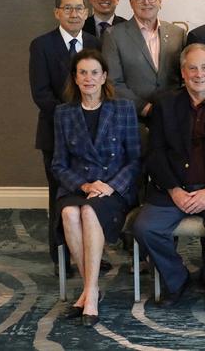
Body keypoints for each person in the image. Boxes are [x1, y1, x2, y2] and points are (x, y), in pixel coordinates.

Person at [133, 44, 205, 308]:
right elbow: (155, 153)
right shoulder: (165, 103)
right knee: (145, 229)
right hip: (173, 190)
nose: (199, 74)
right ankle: (177, 279)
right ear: (183, 72)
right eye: (192, 68)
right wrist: (174, 189)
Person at [52, 49, 141, 327]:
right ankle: (91, 288)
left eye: (94, 73)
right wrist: (84, 184)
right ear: (75, 78)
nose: (88, 78)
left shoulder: (123, 108)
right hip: (78, 186)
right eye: (82, 73)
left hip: (113, 188)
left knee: (89, 212)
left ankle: (88, 295)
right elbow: (58, 164)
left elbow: (135, 160)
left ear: (104, 77)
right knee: (69, 213)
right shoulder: (63, 113)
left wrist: (111, 186)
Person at [29, 0, 101, 277]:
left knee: (90, 198)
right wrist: (72, 120)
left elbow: (100, 85)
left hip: (92, 137)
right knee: (59, 197)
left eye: (79, 8)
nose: (74, 14)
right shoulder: (42, 45)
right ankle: (61, 257)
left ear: (87, 12)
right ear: (57, 12)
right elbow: (41, 93)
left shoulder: (95, 42)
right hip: (55, 134)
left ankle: (91, 255)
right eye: (68, 8)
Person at [102, 0, 186, 120]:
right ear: (131, 3)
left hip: (174, 115)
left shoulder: (178, 34)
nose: (146, 2)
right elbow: (112, 82)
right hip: (133, 118)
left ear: (160, 1)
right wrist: (145, 108)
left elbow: (186, 76)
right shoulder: (114, 35)